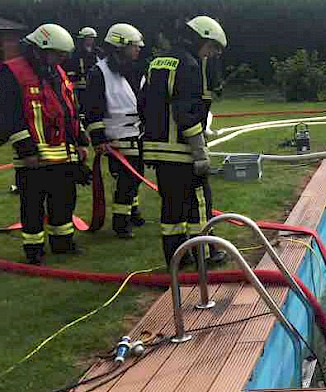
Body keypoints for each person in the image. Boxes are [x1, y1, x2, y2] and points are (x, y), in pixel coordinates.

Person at [138, 16, 228, 267]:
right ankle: (205, 254)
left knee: (171, 209)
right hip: (182, 149)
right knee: (198, 202)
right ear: (201, 39)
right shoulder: (188, 65)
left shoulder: (157, 62)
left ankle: (177, 259)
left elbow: (143, 103)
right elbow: (185, 113)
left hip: (159, 149)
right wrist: (200, 153)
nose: (210, 54)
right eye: (211, 48)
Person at [0, 24, 90, 265]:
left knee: (63, 200)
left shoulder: (55, 72)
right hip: (33, 156)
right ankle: (34, 249)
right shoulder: (12, 72)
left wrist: (80, 140)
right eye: (57, 54)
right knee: (32, 205)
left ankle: (63, 243)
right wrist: (26, 149)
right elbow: (9, 115)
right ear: (40, 50)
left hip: (62, 153)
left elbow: (69, 109)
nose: (61, 59)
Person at [82, 23, 146, 239]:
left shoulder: (134, 70)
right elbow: (91, 109)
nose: (139, 50)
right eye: (134, 46)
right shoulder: (98, 73)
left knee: (137, 177)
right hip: (115, 136)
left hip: (137, 133)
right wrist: (98, 138)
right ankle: (121, 223)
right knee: (125, 180)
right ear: (120, 47)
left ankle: (132, 211)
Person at [63, 27, 102, 106]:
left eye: (92, 38)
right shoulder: (75, 52)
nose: (90, 40)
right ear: (83, 39)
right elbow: (70, 67)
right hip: (79, 86)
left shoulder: (98, 52)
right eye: (88, 38)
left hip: (95, 84)